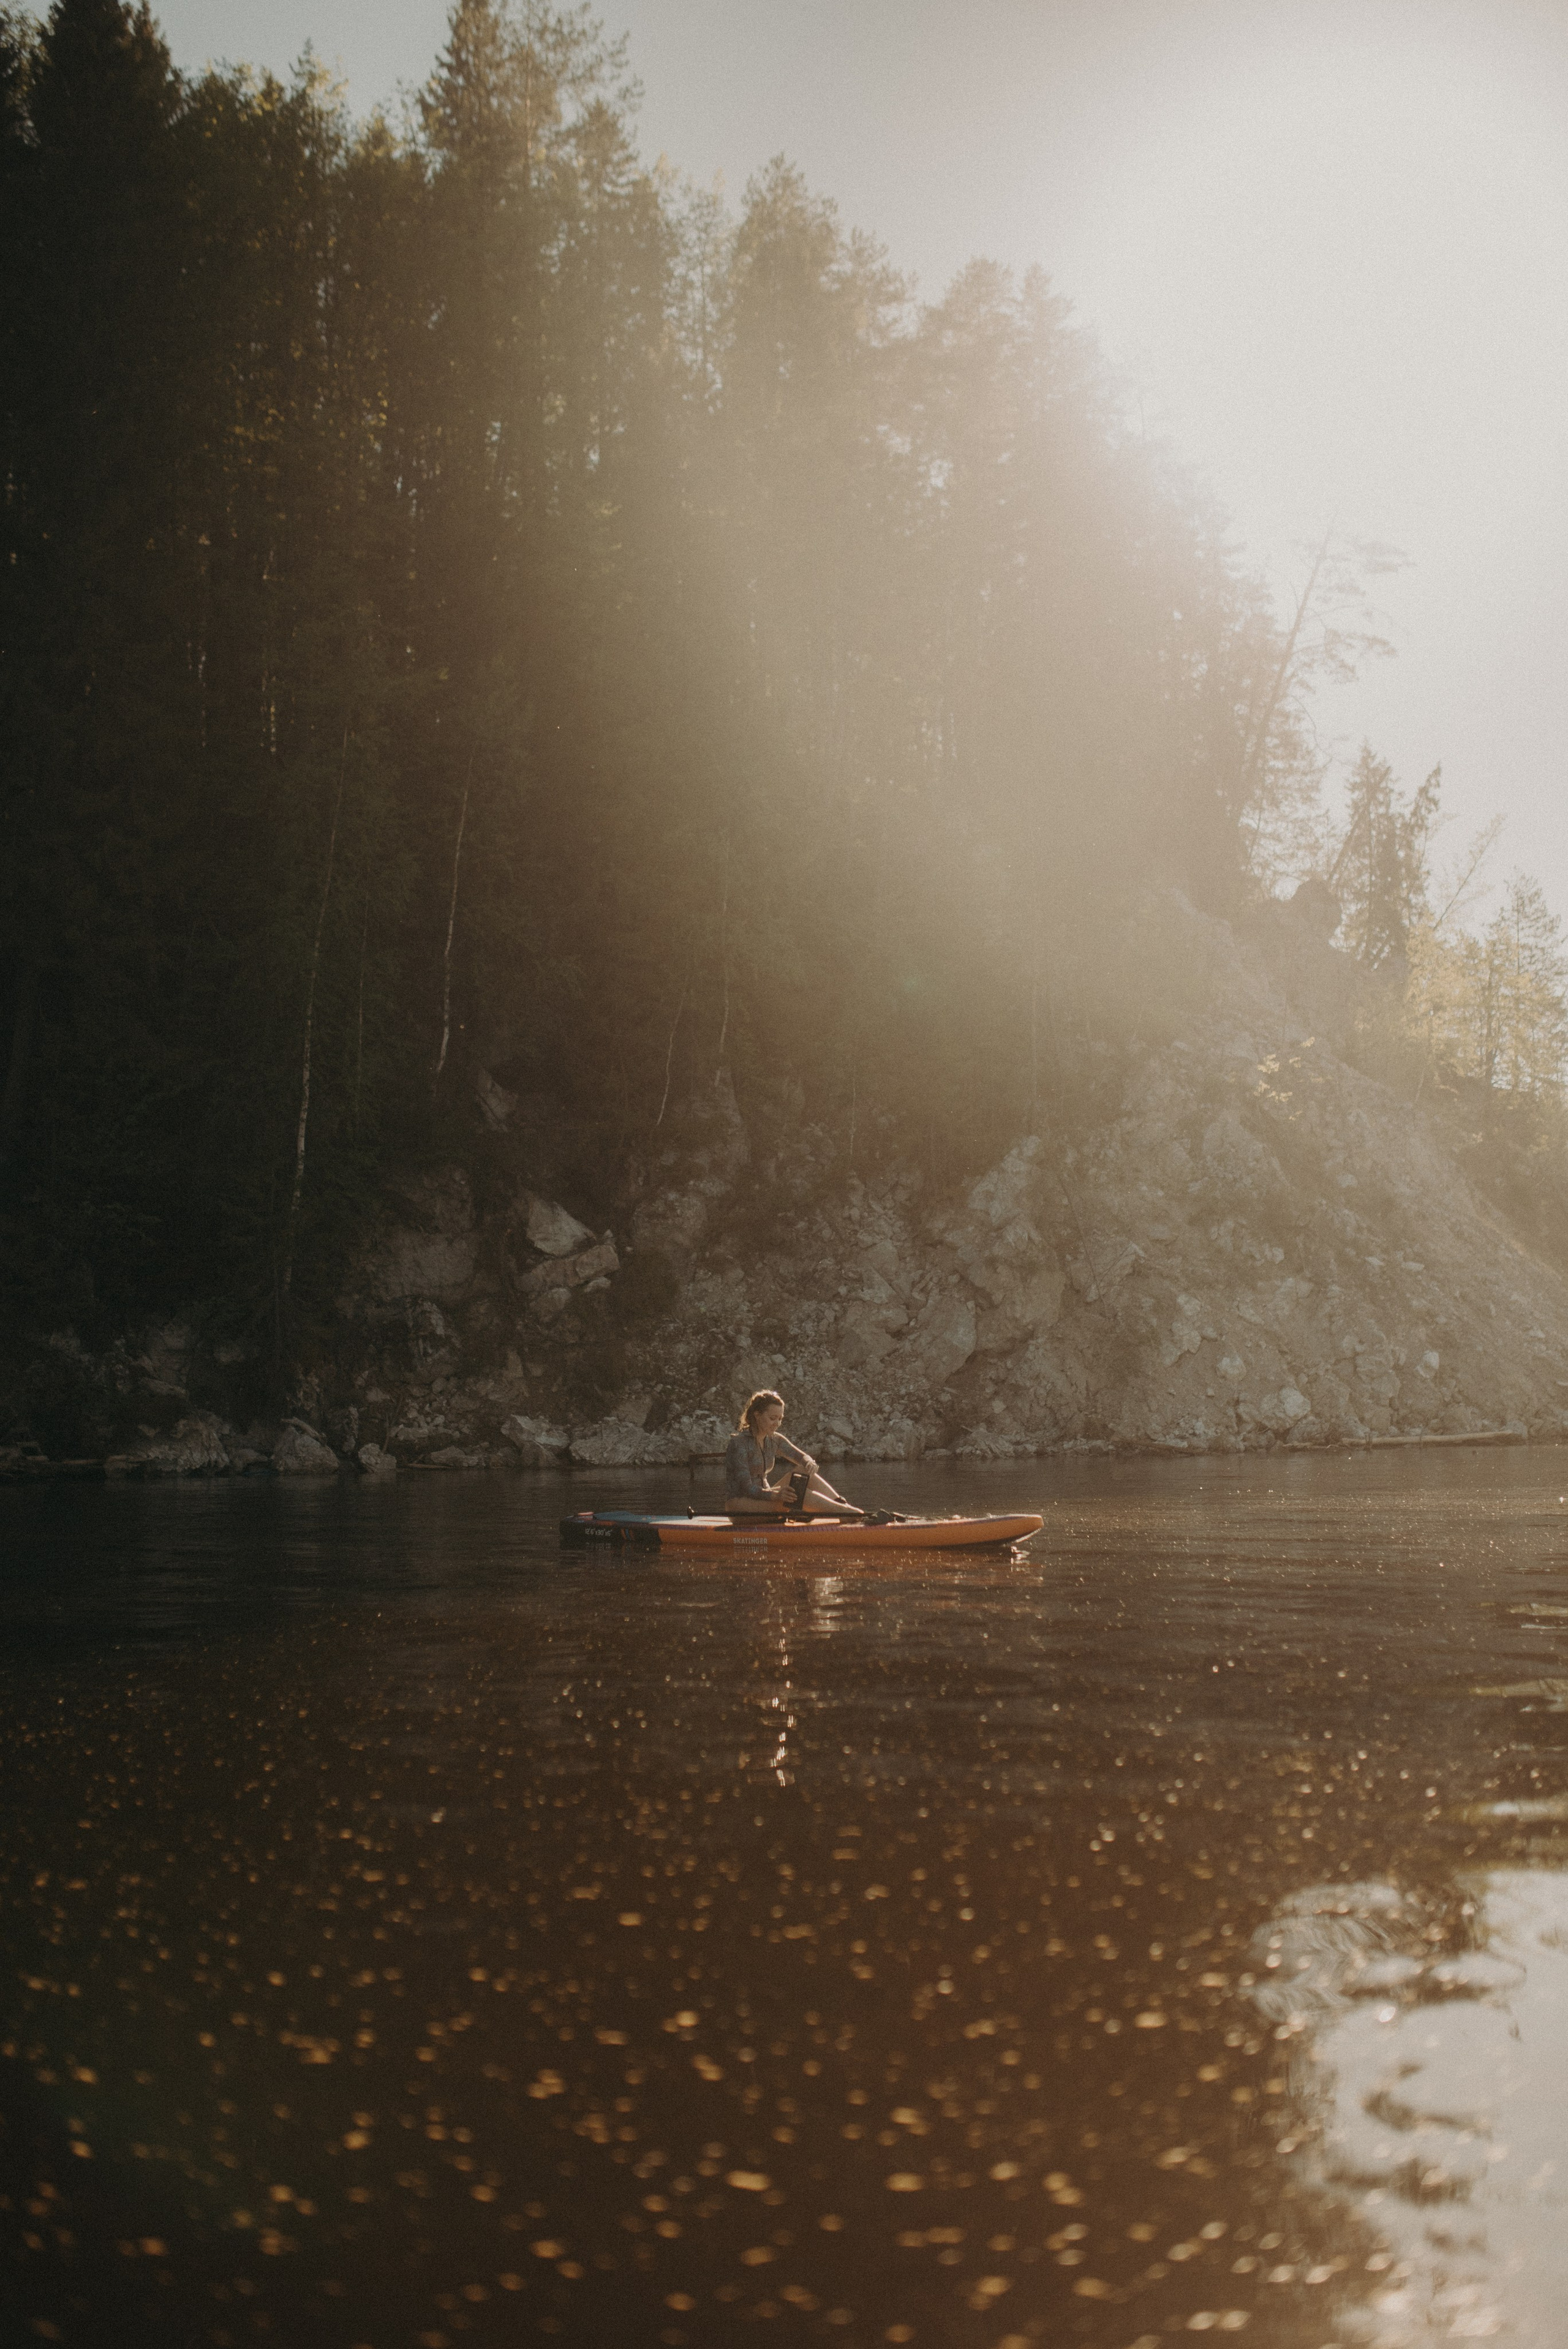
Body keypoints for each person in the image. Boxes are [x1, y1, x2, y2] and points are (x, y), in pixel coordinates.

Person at [723, 1390, 861, 1517]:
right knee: (798, 1494)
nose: (777, 1423)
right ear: (757, 1415)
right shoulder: (739, 1444)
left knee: (804, 1471)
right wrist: (776, 1496)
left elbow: (803, 1458)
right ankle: (846, 1514)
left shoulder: (775, 1439)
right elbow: (747, 1489)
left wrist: (809, 1462)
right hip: (741, 1505)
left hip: (766, 1497)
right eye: (773, 1418)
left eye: (780, 1419)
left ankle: (844, 1506)